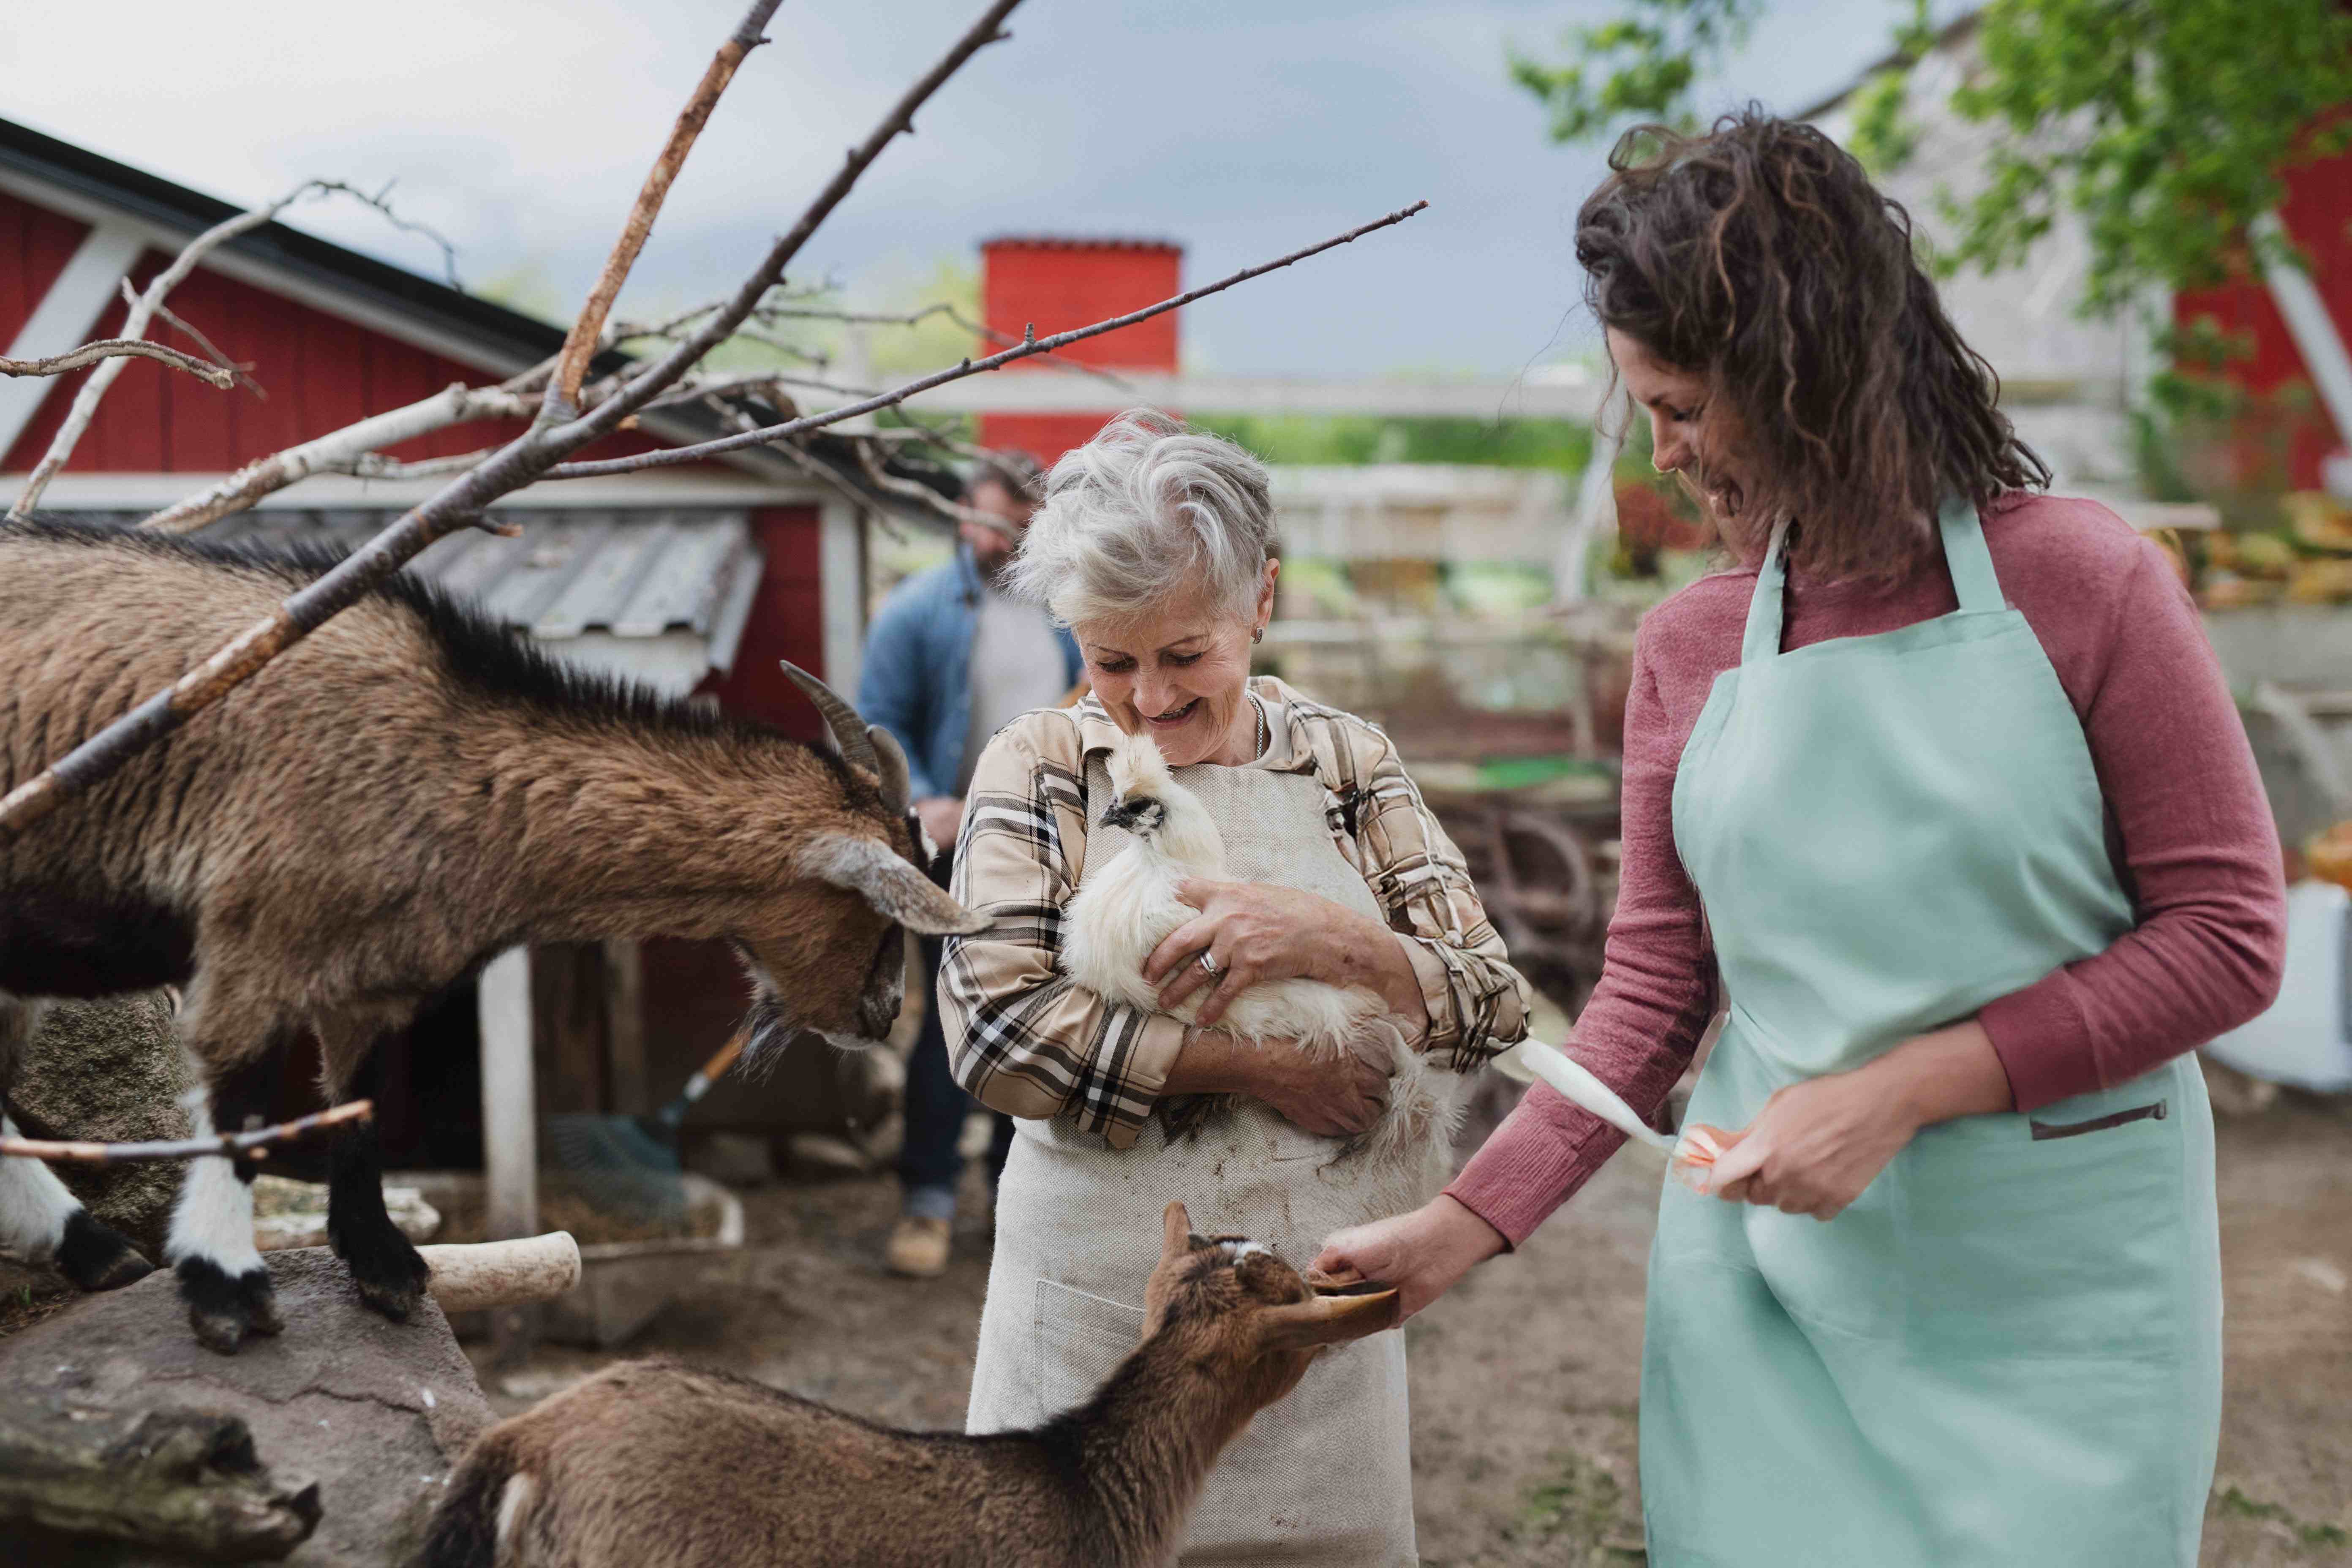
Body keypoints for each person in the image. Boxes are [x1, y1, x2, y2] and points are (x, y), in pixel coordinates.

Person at [1316, 112, 2289, 1568]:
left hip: (2063, 1286)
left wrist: (1904, 1087)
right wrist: (1464, 1221)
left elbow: (2224, 941)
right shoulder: (1688, 644)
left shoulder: (2084, 582)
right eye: (1640, 405)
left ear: (1805, 375)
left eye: (1687, 406)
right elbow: (1648, 998)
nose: (1661, 451)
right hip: (1772, 1285)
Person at [938, 410, 1531, 1565]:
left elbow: (1493, 1000)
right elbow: (996, 1032)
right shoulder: (1040, 765)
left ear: (1262, 598)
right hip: (1097, 1336)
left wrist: (1328, 942)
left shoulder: (1346, 761)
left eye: (1185, 654)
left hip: (1310, 1326)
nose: (1149, 701)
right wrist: (1266, 1065)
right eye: (1111, 661)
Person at [857, 452, 1083, 1278]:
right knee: (954, 1026)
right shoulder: (918, 611)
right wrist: (921, 796)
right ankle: (927, 1202)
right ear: (963, 517)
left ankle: (1011, 1204)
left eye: (1026, 528)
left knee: (1040, 1023)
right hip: (955, 851)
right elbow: (872, 721)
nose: (1009, 541)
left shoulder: (1065, 608)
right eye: (996, 525)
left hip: (1049, 846)